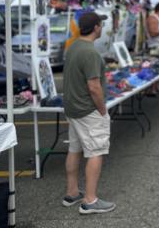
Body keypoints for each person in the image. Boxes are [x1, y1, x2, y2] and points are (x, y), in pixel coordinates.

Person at [62, 12, 116, 215]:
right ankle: (90, 200)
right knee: (95, 152)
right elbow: (93, 86)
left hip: (73, 108)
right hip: (87, 109)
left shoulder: (74, 45)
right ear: (95, 28)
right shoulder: (90, 52)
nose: (102, 27)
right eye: (100, 24)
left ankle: (72, 192)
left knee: (75, 149)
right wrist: (102, 110)